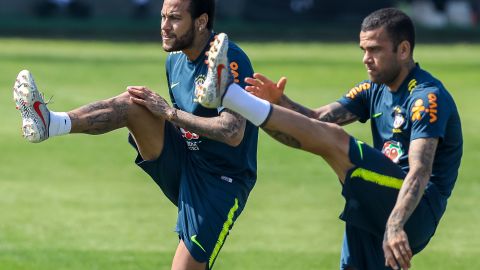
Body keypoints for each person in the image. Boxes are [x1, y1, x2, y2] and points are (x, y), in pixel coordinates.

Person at [197, 8, 462, 270]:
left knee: (335, 142)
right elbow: (317, 120)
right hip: (373, 198)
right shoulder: (373, 89)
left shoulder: (426, 98)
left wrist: (395, 224)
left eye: (375, 50)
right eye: (363, 50)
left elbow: (419, 171)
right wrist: (280, 101)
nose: (366, 59)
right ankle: (233, 97)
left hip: (415, 210)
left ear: (403, 50)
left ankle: (228, 95)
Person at [13, 0, 258, 269]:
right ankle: (51, 123)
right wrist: (161, 118)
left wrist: (168, 114)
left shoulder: (228, 58)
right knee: (134, 105)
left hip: (221, 180)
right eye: (163, 17)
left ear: (201, 22)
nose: (164, 26)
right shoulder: (174, 60)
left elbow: (233, 132)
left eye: (174, 18)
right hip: (187, 160)